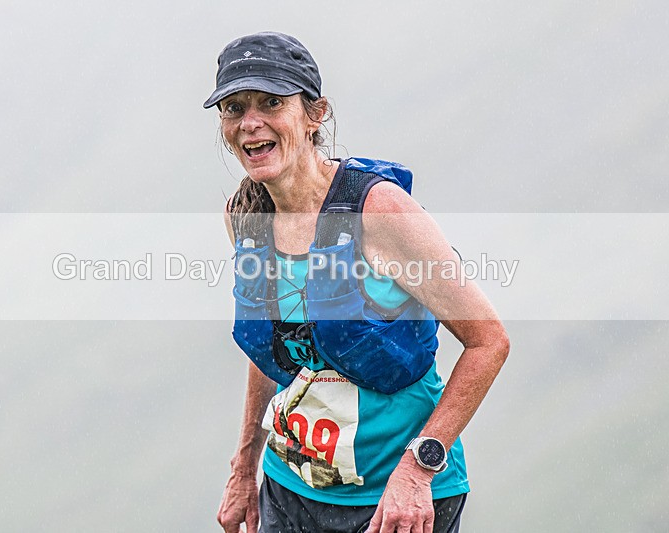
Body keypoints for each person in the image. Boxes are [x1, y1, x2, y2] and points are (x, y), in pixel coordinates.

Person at [205, 31, 509, 533]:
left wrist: (418, 470)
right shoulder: (245, 216)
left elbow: (489, 341)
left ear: (315, 114)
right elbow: (274, 347)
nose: (250, 123)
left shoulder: (380, 212)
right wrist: (244, 469)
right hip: (290, 487)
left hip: (395, 500)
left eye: (271, 103)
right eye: (234, 108)